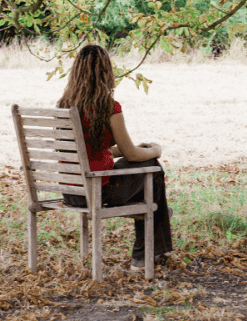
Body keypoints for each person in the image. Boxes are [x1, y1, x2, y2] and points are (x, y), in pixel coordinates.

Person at [57, 44, 173, 273]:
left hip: (72, 191)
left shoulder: (64, 105)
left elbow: (97, 151)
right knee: (152, 168)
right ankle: (146, 252)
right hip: (97, 192)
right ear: (106, 72)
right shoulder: (108, 106)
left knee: (144, 172)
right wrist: (155, 150)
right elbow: (131, 155)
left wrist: (130, 148)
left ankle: (155, 231)